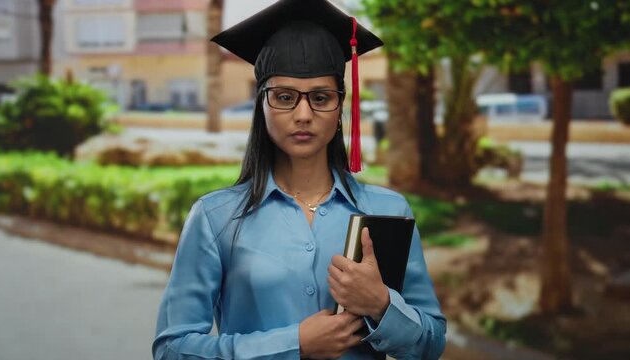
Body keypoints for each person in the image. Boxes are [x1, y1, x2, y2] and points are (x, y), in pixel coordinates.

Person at [152, 0, 446, 359]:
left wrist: (382, 305)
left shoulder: (386, 210)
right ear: (260, 105)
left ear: (340, 107)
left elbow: (431, 344)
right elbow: (172, 349)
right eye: (285, 98)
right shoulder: (216, 218)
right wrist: (296, 344)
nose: (303, 114)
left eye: (321, 97)